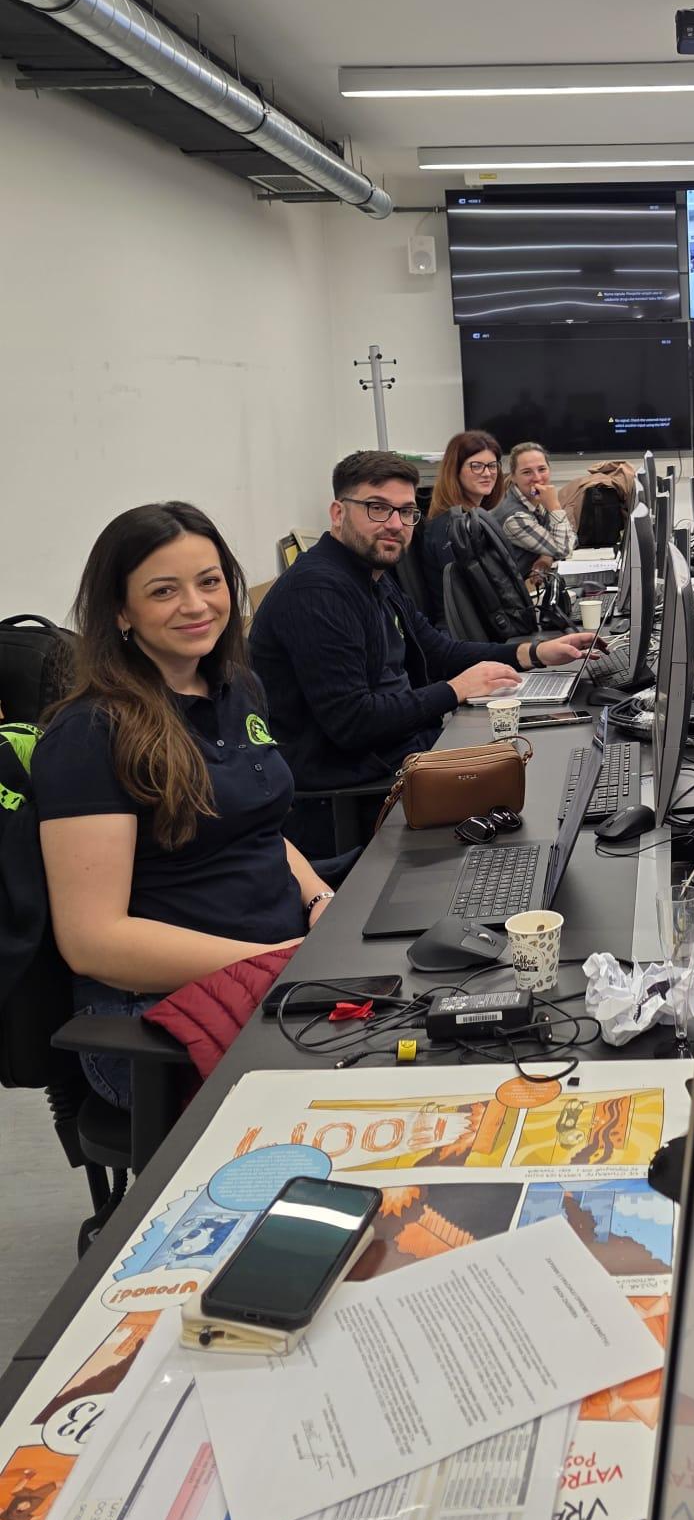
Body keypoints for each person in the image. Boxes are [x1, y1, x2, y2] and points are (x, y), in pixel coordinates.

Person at [30, 503, 327, 1106]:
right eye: (164, 590)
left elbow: (260, 828)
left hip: (276, 967)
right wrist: (276, 960)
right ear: (121, 611)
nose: (196, 605)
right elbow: (93, 940)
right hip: (156, 1017)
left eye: (209, 581)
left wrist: (321, 901)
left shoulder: (238, 686)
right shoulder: (90, 733)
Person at [251, 452, 594, 852]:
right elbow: (353, 721)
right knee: (540, 813)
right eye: (377, 508)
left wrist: (533, 654)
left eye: (406, 512)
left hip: (402, 757)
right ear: (338, 513)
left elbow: (438, 651)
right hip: (356, 794)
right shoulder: (318, 592)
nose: (395, 524)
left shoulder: (371, 575)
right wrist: (455, 690)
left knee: (554, 771)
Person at [421, 429, 502, 613]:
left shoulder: (475, 519)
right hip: (466, 626)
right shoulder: (449, 526)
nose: (487, 473)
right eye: (476, 466)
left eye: (492, 465)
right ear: (455, 471)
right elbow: (472, 592)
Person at [496, 442, 578, 567]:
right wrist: (555, 507)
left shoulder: (538, 499)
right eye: (527, 472)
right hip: (521, 579)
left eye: (542, 469)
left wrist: (546, 556)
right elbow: (565, 550)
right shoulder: (515, 518)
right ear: (513, 477)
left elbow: (572, 538)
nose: (537, 478)